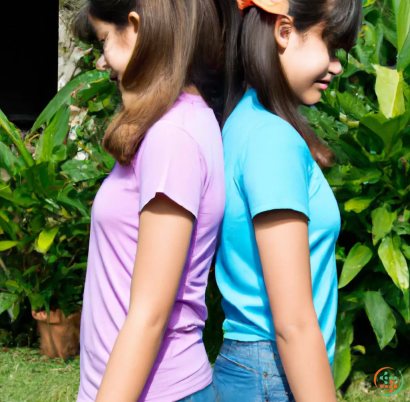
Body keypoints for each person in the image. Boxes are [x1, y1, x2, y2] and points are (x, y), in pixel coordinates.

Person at [74, 1, 225, 401]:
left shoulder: (173, 136)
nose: (103, 64)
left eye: (104, 40)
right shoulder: (175, 125)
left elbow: (150, 315)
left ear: (137, 29)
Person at [213, 0, 362, 401]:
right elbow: (292, 322)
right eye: (330, 45)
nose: (337, 65)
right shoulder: (272, 140)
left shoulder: (246, 119)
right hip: (275, 372)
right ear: (284, 31)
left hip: (261, 369)